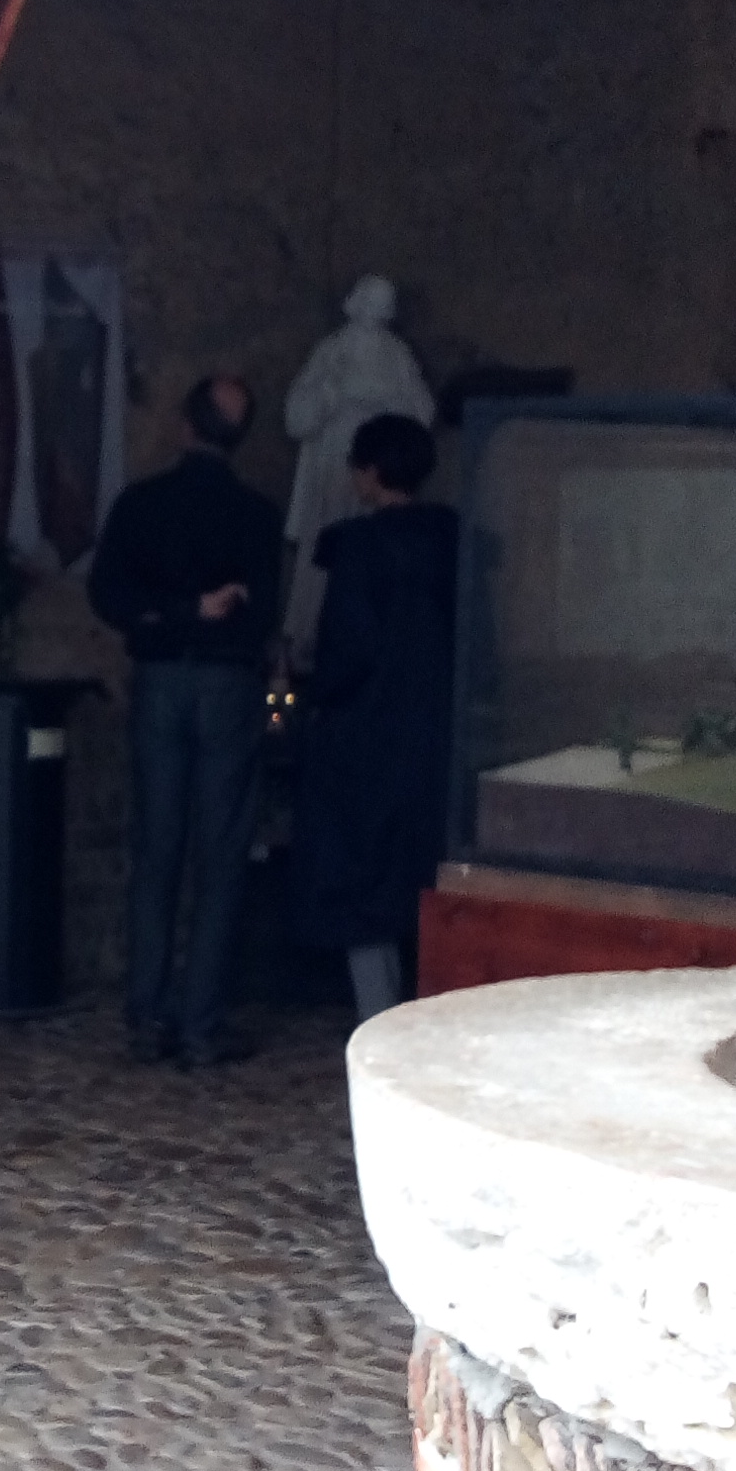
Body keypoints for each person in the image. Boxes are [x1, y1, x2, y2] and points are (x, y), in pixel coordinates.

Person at [88, 373, 286, 1067]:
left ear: (184, 425)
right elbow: (265, 615)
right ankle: (201, 1023)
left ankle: (147, 1014)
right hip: (229, 685)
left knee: (157, 848)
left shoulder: (141, 505)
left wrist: (173, 614)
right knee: (222, 851)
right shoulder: (257, 514)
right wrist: (212, 616)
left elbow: (108, 595)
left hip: (160, 680)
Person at [295, 410, 459, 1027]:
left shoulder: (359, 551)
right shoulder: (455, 545)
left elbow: (345, 655)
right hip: (438, 737)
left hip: (368, 740)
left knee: (363, 886)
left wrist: (316, 692)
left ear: (368, 472)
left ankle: (379, 1022)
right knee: (429, 883)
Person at [283, 273, 436, 654]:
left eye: (381, 307)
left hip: (383, 465)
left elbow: (423, 413)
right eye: (369, 303)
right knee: (327, 547)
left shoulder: (397, 355)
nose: (372, 314)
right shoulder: (331, 351)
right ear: (355, 304)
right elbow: (298, 416)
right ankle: (310, 636)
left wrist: (387, 403)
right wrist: (332, 395)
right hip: (335, 459)